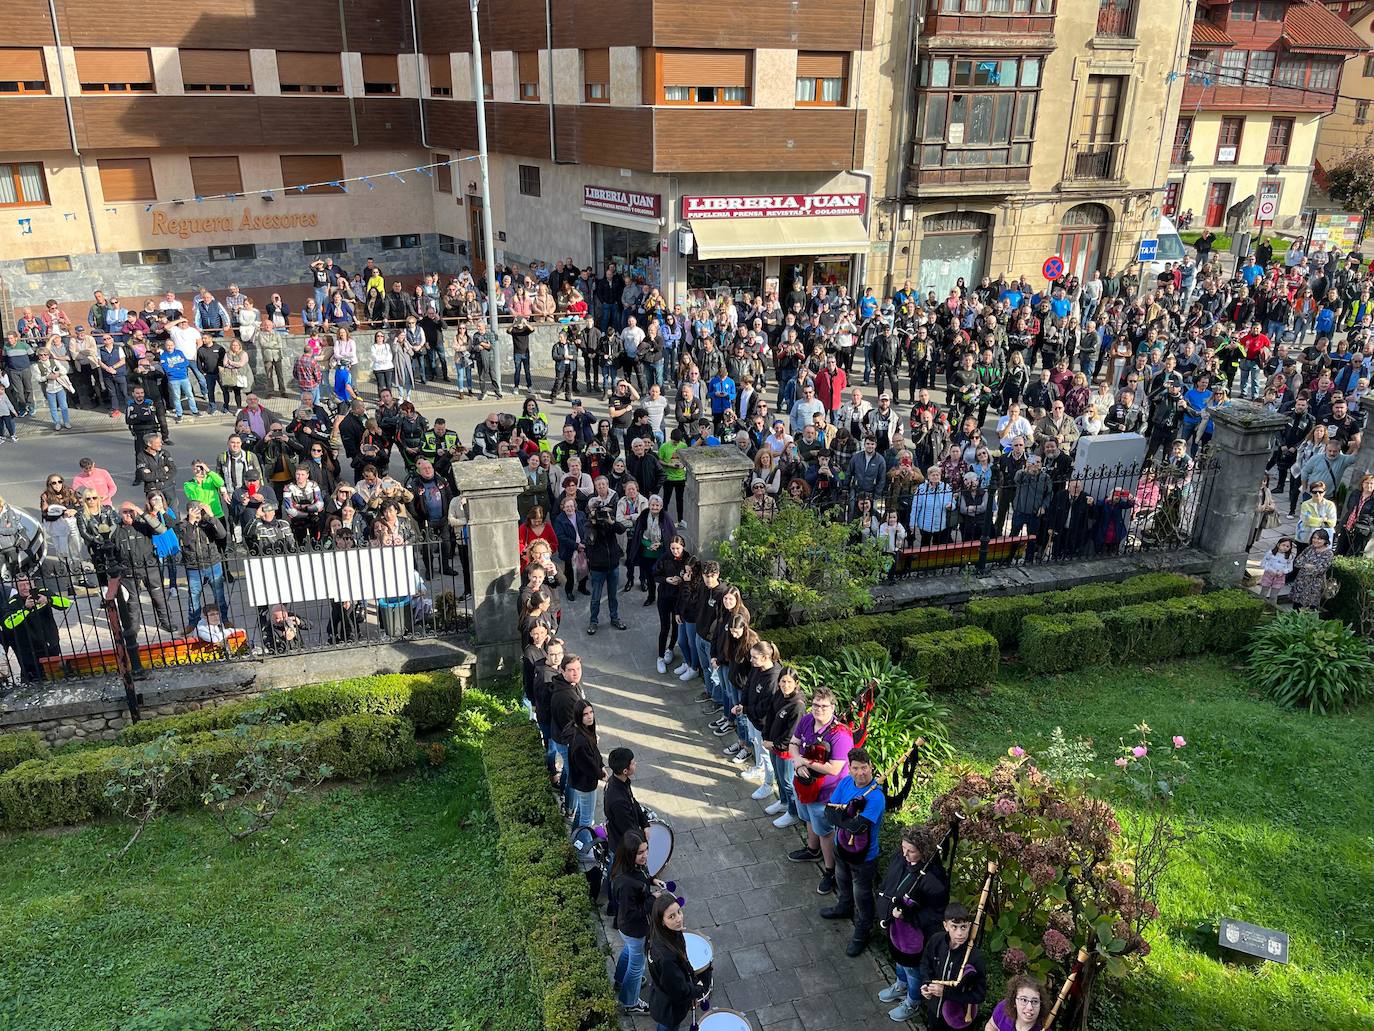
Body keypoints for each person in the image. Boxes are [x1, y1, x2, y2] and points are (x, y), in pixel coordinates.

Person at [877, 825, 952, 1022]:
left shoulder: (934, 879)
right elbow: (889, 883)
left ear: (924, 851)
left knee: (912, 969)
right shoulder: (901, 858)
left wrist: (908, 915)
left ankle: (913, 1000)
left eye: (911, 851)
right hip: (896, 927)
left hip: (915, 935)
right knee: (899, 961)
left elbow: (937, 914)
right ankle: (900, 985)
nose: (905, 854)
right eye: (903, 848)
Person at [786, 686, 855, 896]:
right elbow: (793, 744)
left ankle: (829, 871)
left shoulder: (840, 735)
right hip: (804, 787)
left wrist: (803, 760)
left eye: (824, 706)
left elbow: (834, 768)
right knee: (808, 818)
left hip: (826, 794)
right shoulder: (807, 720)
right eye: (816, 704)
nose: (819, 709)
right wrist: (797, 762)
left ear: (833, 707)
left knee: (826, 832)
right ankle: (811, 850)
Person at [821, 747, 887, 957]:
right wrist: (849, 813)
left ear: (871, 768)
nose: (860, 773)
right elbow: (830, 812)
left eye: (864, 768)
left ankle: (862, 931)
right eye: (856, 768)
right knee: (842, 882)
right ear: (849, 769)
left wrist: (845, 814)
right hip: (841, 849)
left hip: (864, 858)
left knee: (863, 896)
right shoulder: (846, 782)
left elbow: (859, 828)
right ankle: (843, 907)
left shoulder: (876, 797)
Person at [920, 903, 989, 1031]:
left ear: (969, 926)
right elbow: (925, 964)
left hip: (958, 1017)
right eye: (954, 927)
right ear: (945, 926)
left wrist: (946, 993)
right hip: (934, 1011)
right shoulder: (936, 941)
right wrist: (926, 983)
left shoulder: (975, 957)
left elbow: (979, 995)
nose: (960, 933)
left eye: (963, 927)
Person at [646, 894, 700, 1031]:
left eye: (679, 912)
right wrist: (697, 990)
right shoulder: (666, 958)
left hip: (662, 995)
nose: (679, 919)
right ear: (662, 921)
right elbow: (679, 990)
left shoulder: (659, 933)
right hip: (670, 1006)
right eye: (671, 917)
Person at [565, 698, 607, 830]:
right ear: (579, 716)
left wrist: (601, 765)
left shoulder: (583, 730)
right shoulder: (580, 740)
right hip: (584, 784)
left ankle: (575, 838)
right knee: (587, 819)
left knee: (581, 812)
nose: (590, 717)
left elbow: (594, 752)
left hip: (580, 782)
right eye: (585, 714)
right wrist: (600, 774)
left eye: (591, 712)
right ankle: (582, 848)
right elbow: (587, 765)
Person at [1290, 528, 1334, 610]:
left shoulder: (1328, 553)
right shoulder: (1310, 548)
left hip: (1313, 585)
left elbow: (1319, 569)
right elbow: (1297, 562)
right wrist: (1307, 566)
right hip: (1301, 582)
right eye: (1314, 538)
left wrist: (1305, 566)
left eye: (1319, 539)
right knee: (1296, 607)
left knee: (1309, 608)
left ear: (1325, 540)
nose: (1316, 540)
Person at [984, 976, 1051, 1031]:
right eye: (1024, 1000)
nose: (1030, 1007)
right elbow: (991, 1026)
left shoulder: (1044, 1029)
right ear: (1014, 1002)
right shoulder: (1003, 1008)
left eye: (1035, 1001)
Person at [1337, 473, 1374, 556]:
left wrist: (1369, 526)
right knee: (1340, 552)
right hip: (1348, 526)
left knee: (1354, 554)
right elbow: (1349, 507)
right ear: (1362, 483)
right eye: (1366, 482)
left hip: (1363, 530)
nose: (1369, 485)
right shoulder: (1355, 493)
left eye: (1371, 483)